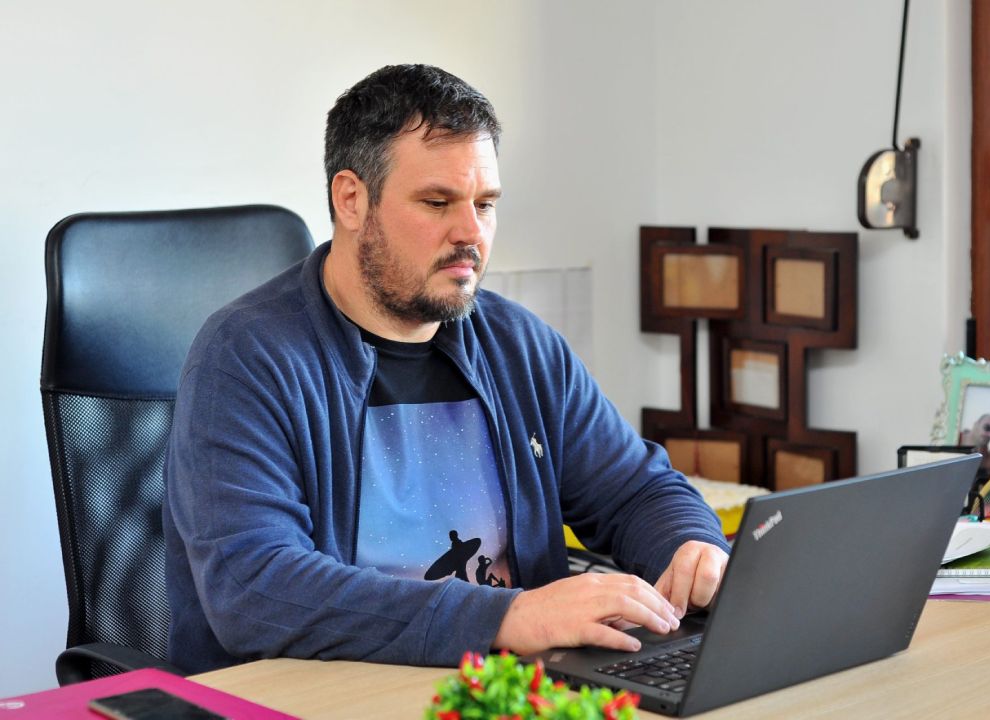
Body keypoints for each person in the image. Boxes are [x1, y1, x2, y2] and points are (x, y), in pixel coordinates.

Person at [162, 64, 729, 675]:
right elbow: (254, 587)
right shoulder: (245, 357)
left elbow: (637, 490)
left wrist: (692, 547)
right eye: (437, 203)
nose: (470, 233)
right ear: (351, 200)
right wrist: (506, 619)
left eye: (485, 204)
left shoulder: (519, 345)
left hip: (500, 689)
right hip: (326, 693)